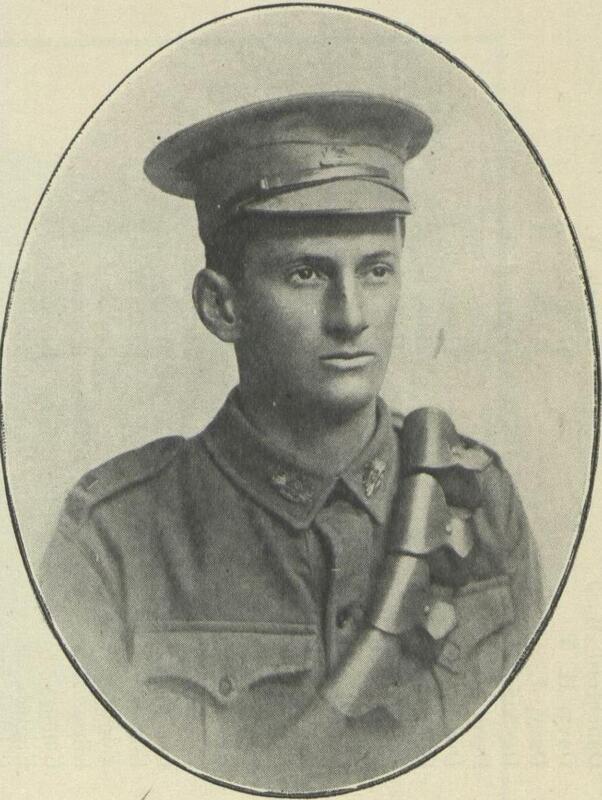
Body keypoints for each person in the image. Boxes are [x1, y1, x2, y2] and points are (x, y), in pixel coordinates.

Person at [40, 92, 543, 792]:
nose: (351, 317)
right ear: (222, 306)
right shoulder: (116, 540)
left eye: (376, 269)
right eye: (307, 273)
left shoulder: (478, 500)